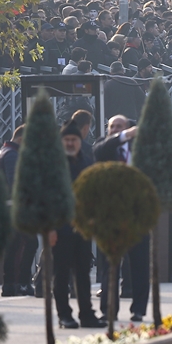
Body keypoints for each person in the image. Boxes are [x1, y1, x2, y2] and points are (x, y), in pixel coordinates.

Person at [94, 116, 149, 322]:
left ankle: (139, 309)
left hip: (137, 219)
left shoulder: (140, 151)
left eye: (119, 127)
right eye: (111, 127)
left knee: (139, 266)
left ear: (128, 128)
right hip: (110, 219)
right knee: (110, 266)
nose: (114, 130)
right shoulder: (103, 147)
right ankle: (108, 311)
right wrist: (124, 135)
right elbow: (99, 151)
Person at [54, 123, 106, 329]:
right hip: (60, 228)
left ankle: (87, 314)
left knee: (83, 273)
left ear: (79, 142)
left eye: (73, 140)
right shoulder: (55, 165)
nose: (70, 143)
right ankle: (64, 315)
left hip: (83, 229)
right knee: (61, 274)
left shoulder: (86, 162)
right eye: (66, 139)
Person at [0, 125, 37, 297]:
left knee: (16, 245)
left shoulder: (7, 152)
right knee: (27, 244)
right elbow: (16, 182)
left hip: (11, 206)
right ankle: (20, 282)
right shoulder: (12, 155)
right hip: (16, 207)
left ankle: (12, 284)